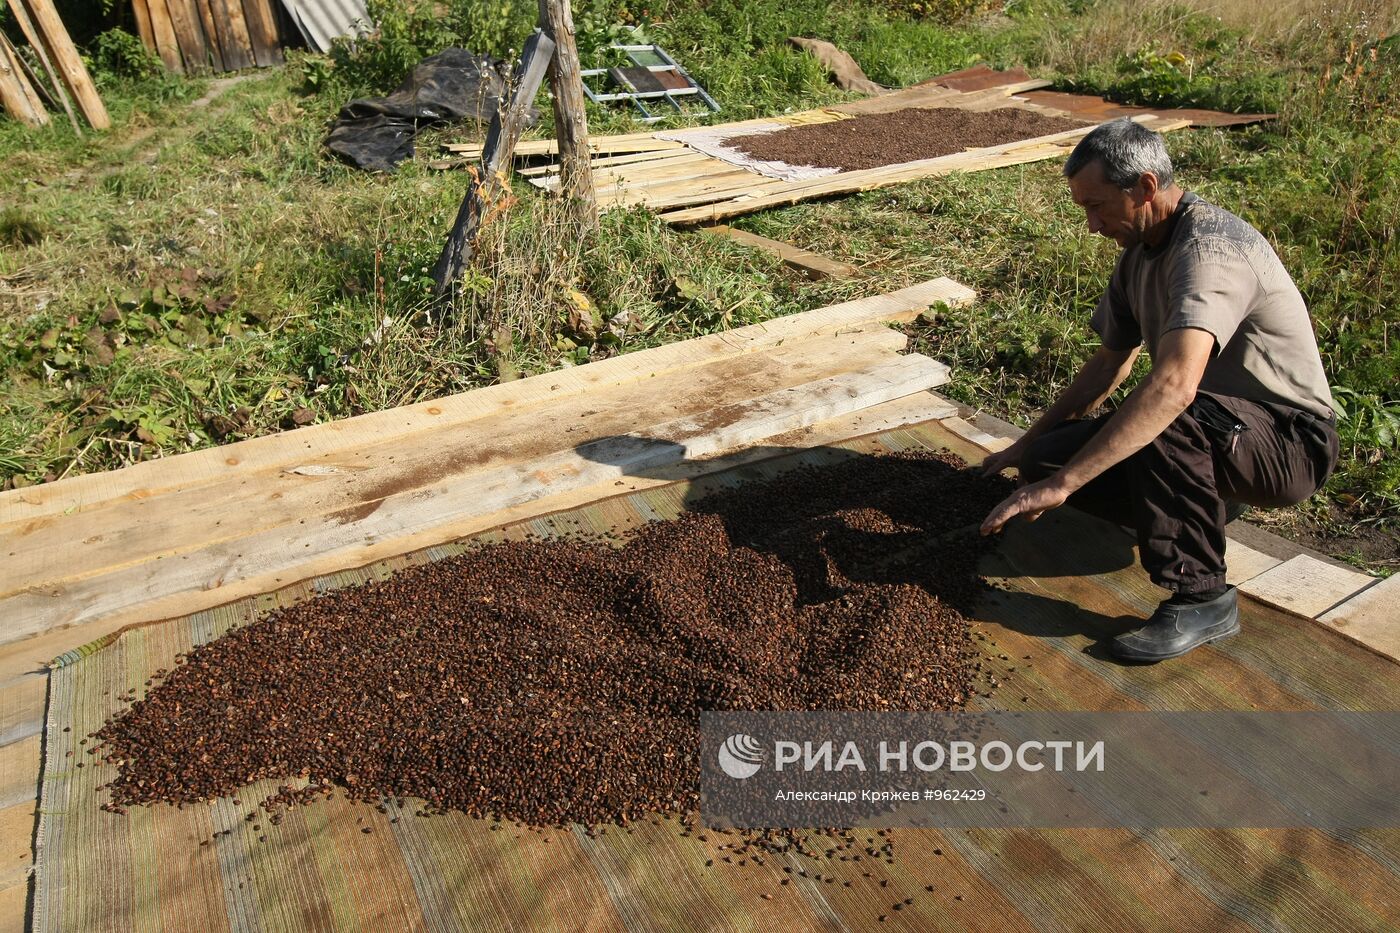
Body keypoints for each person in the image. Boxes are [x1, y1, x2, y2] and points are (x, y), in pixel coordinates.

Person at [978, 118, 1339, 663]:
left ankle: (1203, 597)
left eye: (1098, 206)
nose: (1092, 225)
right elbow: (1107, 367)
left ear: (1145, 187)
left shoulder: (1210, 252)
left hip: (1288, 441)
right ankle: (1204, 501)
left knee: (1163, 417)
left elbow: (1174, 388)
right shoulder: (1138, 254)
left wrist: (1067, 487)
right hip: (1218, 428)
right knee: (1051, 459)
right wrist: (1026, 449)